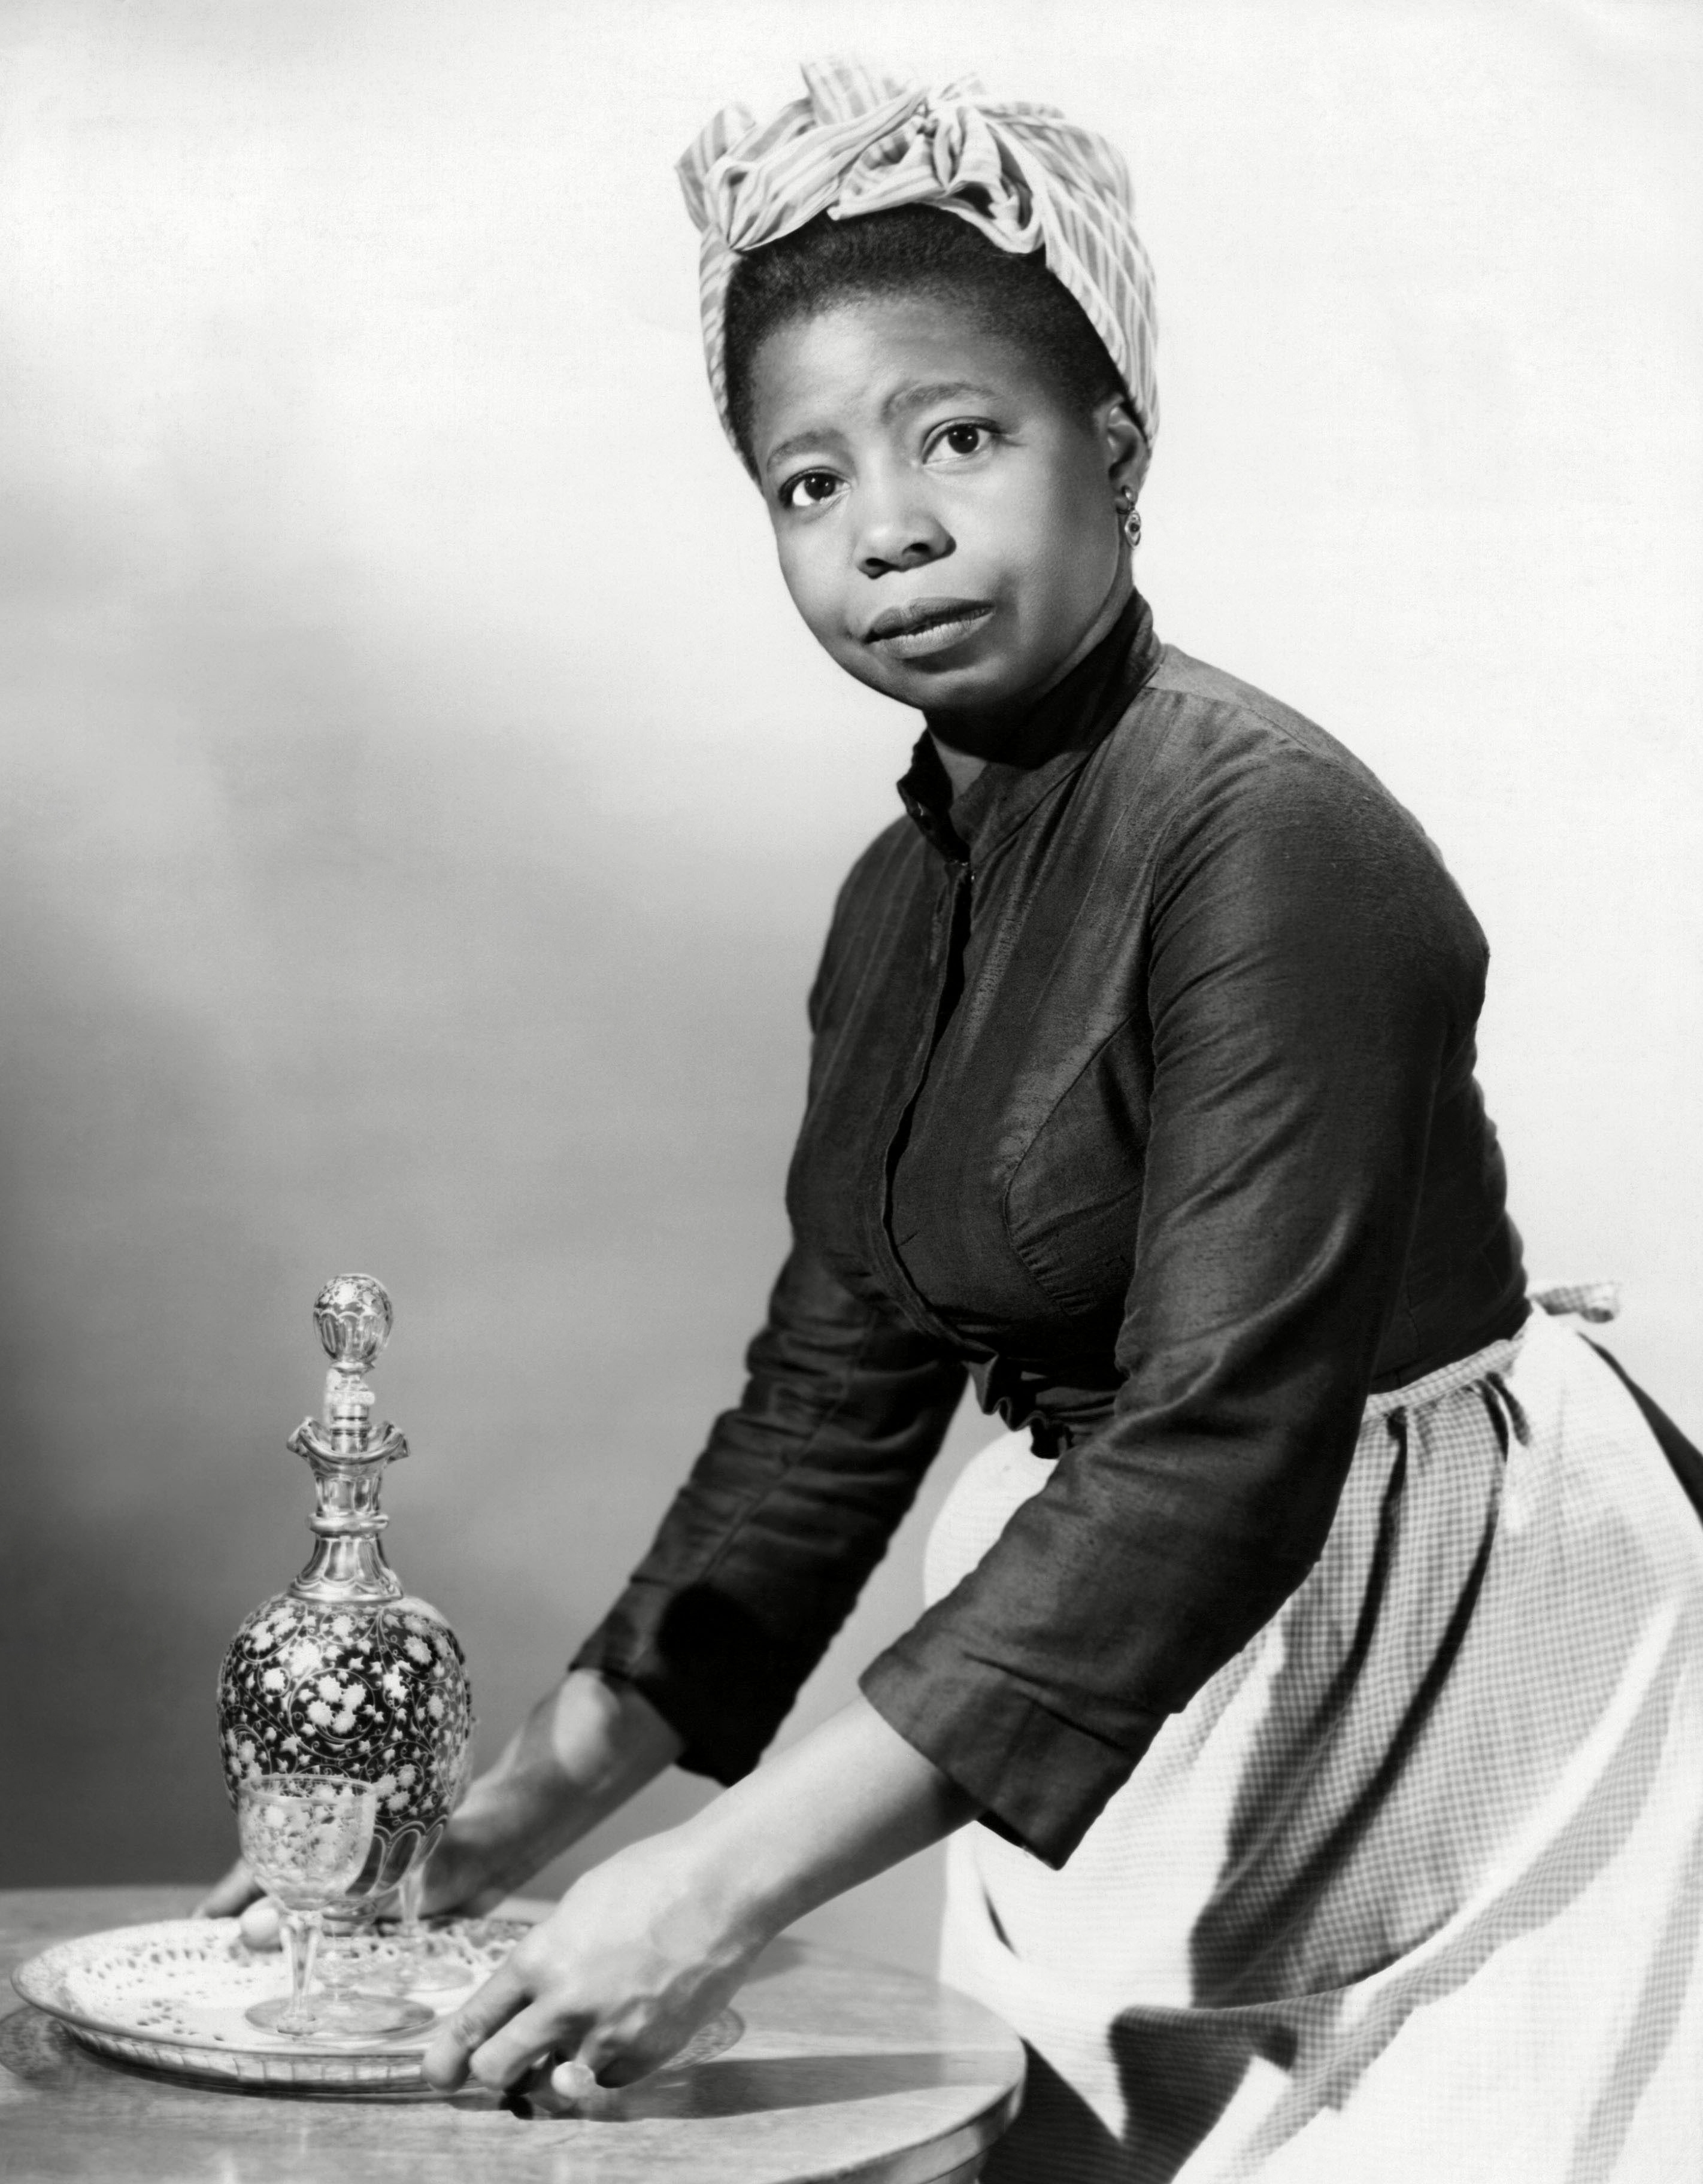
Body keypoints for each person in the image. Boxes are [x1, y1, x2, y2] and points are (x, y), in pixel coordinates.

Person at [202, 59, 1703, 2181]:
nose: (885, 527)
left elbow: (1217, 1454)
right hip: (1122, 1665)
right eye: (806, 483)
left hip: (1450, 1671)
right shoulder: (895, 904)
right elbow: (826, 1419)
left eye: (961, 440)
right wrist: (477, 1837)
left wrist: (717, 1885)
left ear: (1118, 448)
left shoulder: (1275, 840)